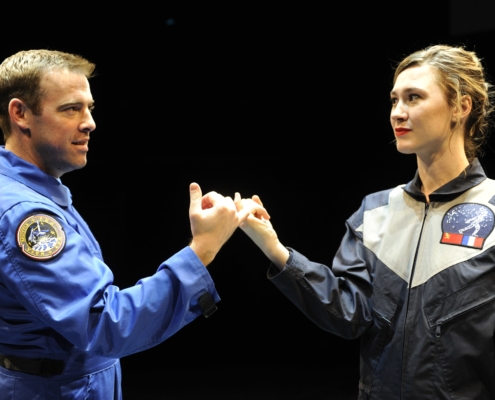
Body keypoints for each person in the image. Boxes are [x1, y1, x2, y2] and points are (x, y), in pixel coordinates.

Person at [0, 49, 267, 399]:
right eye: (70, 108)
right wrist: (203, 247)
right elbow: (107, 325)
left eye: (89, 108)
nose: (89, 122)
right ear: (20, 114)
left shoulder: (30, 192)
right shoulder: (25, 215)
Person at [237, 45, 495, 399]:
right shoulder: (375, 212)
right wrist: (274, 248)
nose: (398, 113)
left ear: (461, 107)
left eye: (414, 97)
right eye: (394, 100)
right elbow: (351, 316)